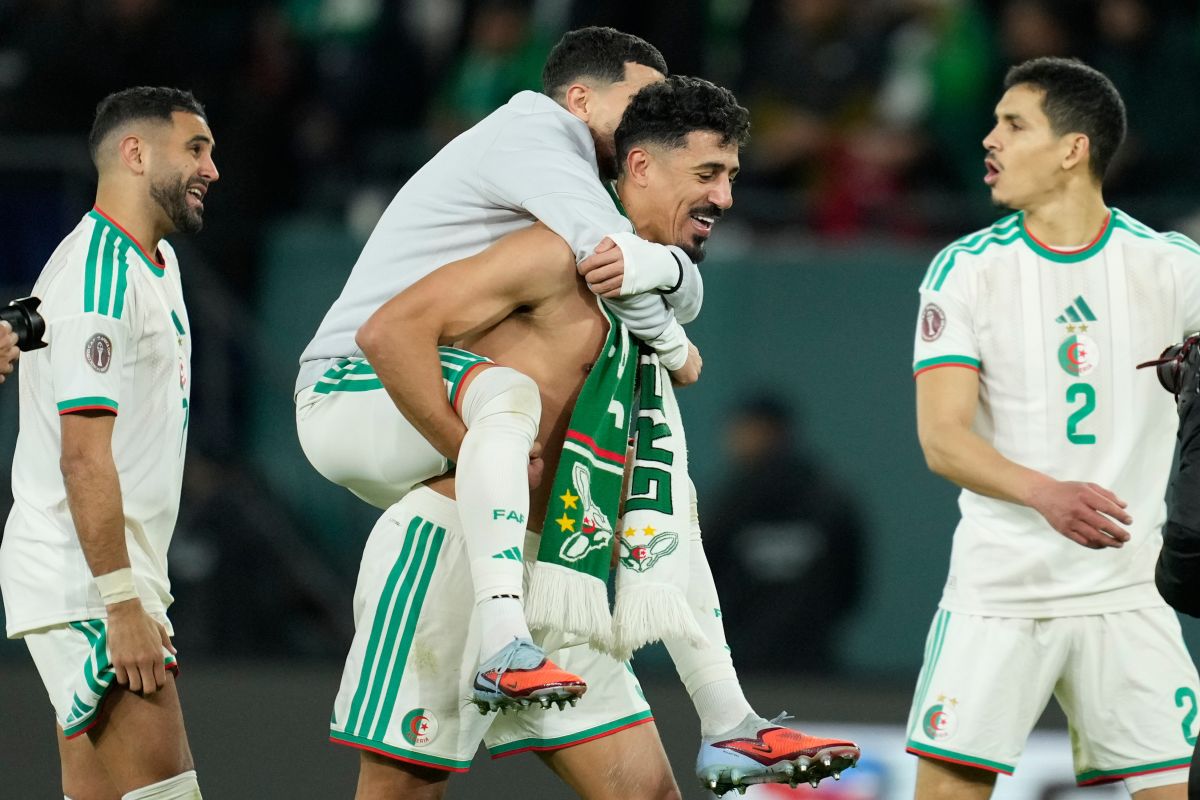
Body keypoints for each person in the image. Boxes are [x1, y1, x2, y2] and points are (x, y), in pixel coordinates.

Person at [333, 76, 857, 799]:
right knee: (404, 790)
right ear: (640, 167)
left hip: (563, 578)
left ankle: (733, 722)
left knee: (649, 795)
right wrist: (467, 447)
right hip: (450, 556)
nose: (725, 198)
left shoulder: (647, 289)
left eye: (732, 177)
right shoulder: (551, 253)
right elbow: (389, 332)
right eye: (707, 174)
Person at [297, 26, 703, 716]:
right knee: (509, 395)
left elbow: (651, 272)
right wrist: (676, 345)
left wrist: (673, 281)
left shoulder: (571, 176)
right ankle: (503, 644)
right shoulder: (536, 136)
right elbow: (620, 261)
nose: (649, 124)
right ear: (577, 99)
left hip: (499, 512)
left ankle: (727, 718)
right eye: (639, 102)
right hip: (355, 384)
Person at [908, 56, 1200, 799]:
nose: (989, 139)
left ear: (1074, 149)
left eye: (1014, 124)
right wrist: (1045, 493)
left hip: (1132, 592)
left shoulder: (1173, 269)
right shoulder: (964, 270)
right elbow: (943, 438)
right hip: (1001, 591)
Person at [0, 87, 218, 800]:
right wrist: (121, 603)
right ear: (134, 153)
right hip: (89, 581)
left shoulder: (149, 263)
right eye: (196, 148)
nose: (212, 169)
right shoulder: (100, 275)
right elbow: (81, 454)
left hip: (104, 578)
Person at [705, 395, 863, 673]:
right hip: (755, 659)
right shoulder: (731, 502)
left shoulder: (824, 501)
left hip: (797, 662)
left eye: (747, 429)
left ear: (773, 432)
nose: (738, 439)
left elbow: (849, 580)